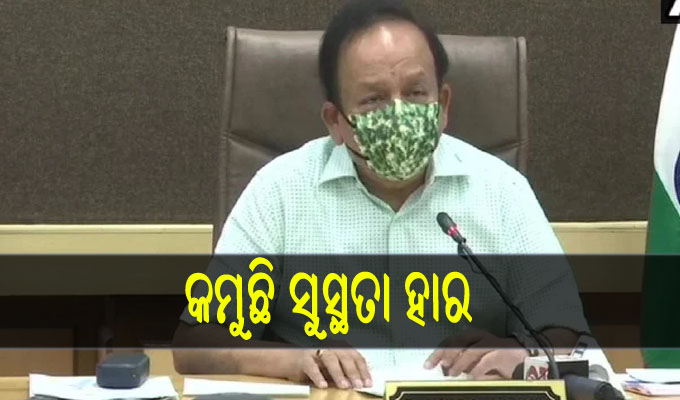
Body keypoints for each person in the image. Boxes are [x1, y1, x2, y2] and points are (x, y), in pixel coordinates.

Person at [173, 0, 589, 389]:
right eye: (373, 100)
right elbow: (196, 344)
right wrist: (296, 360)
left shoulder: (501, 190)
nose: (399, 114)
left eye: (416, 93)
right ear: (335, 121)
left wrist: (520, 354)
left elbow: (565, 331)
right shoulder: (281, 190)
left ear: (443, 104)